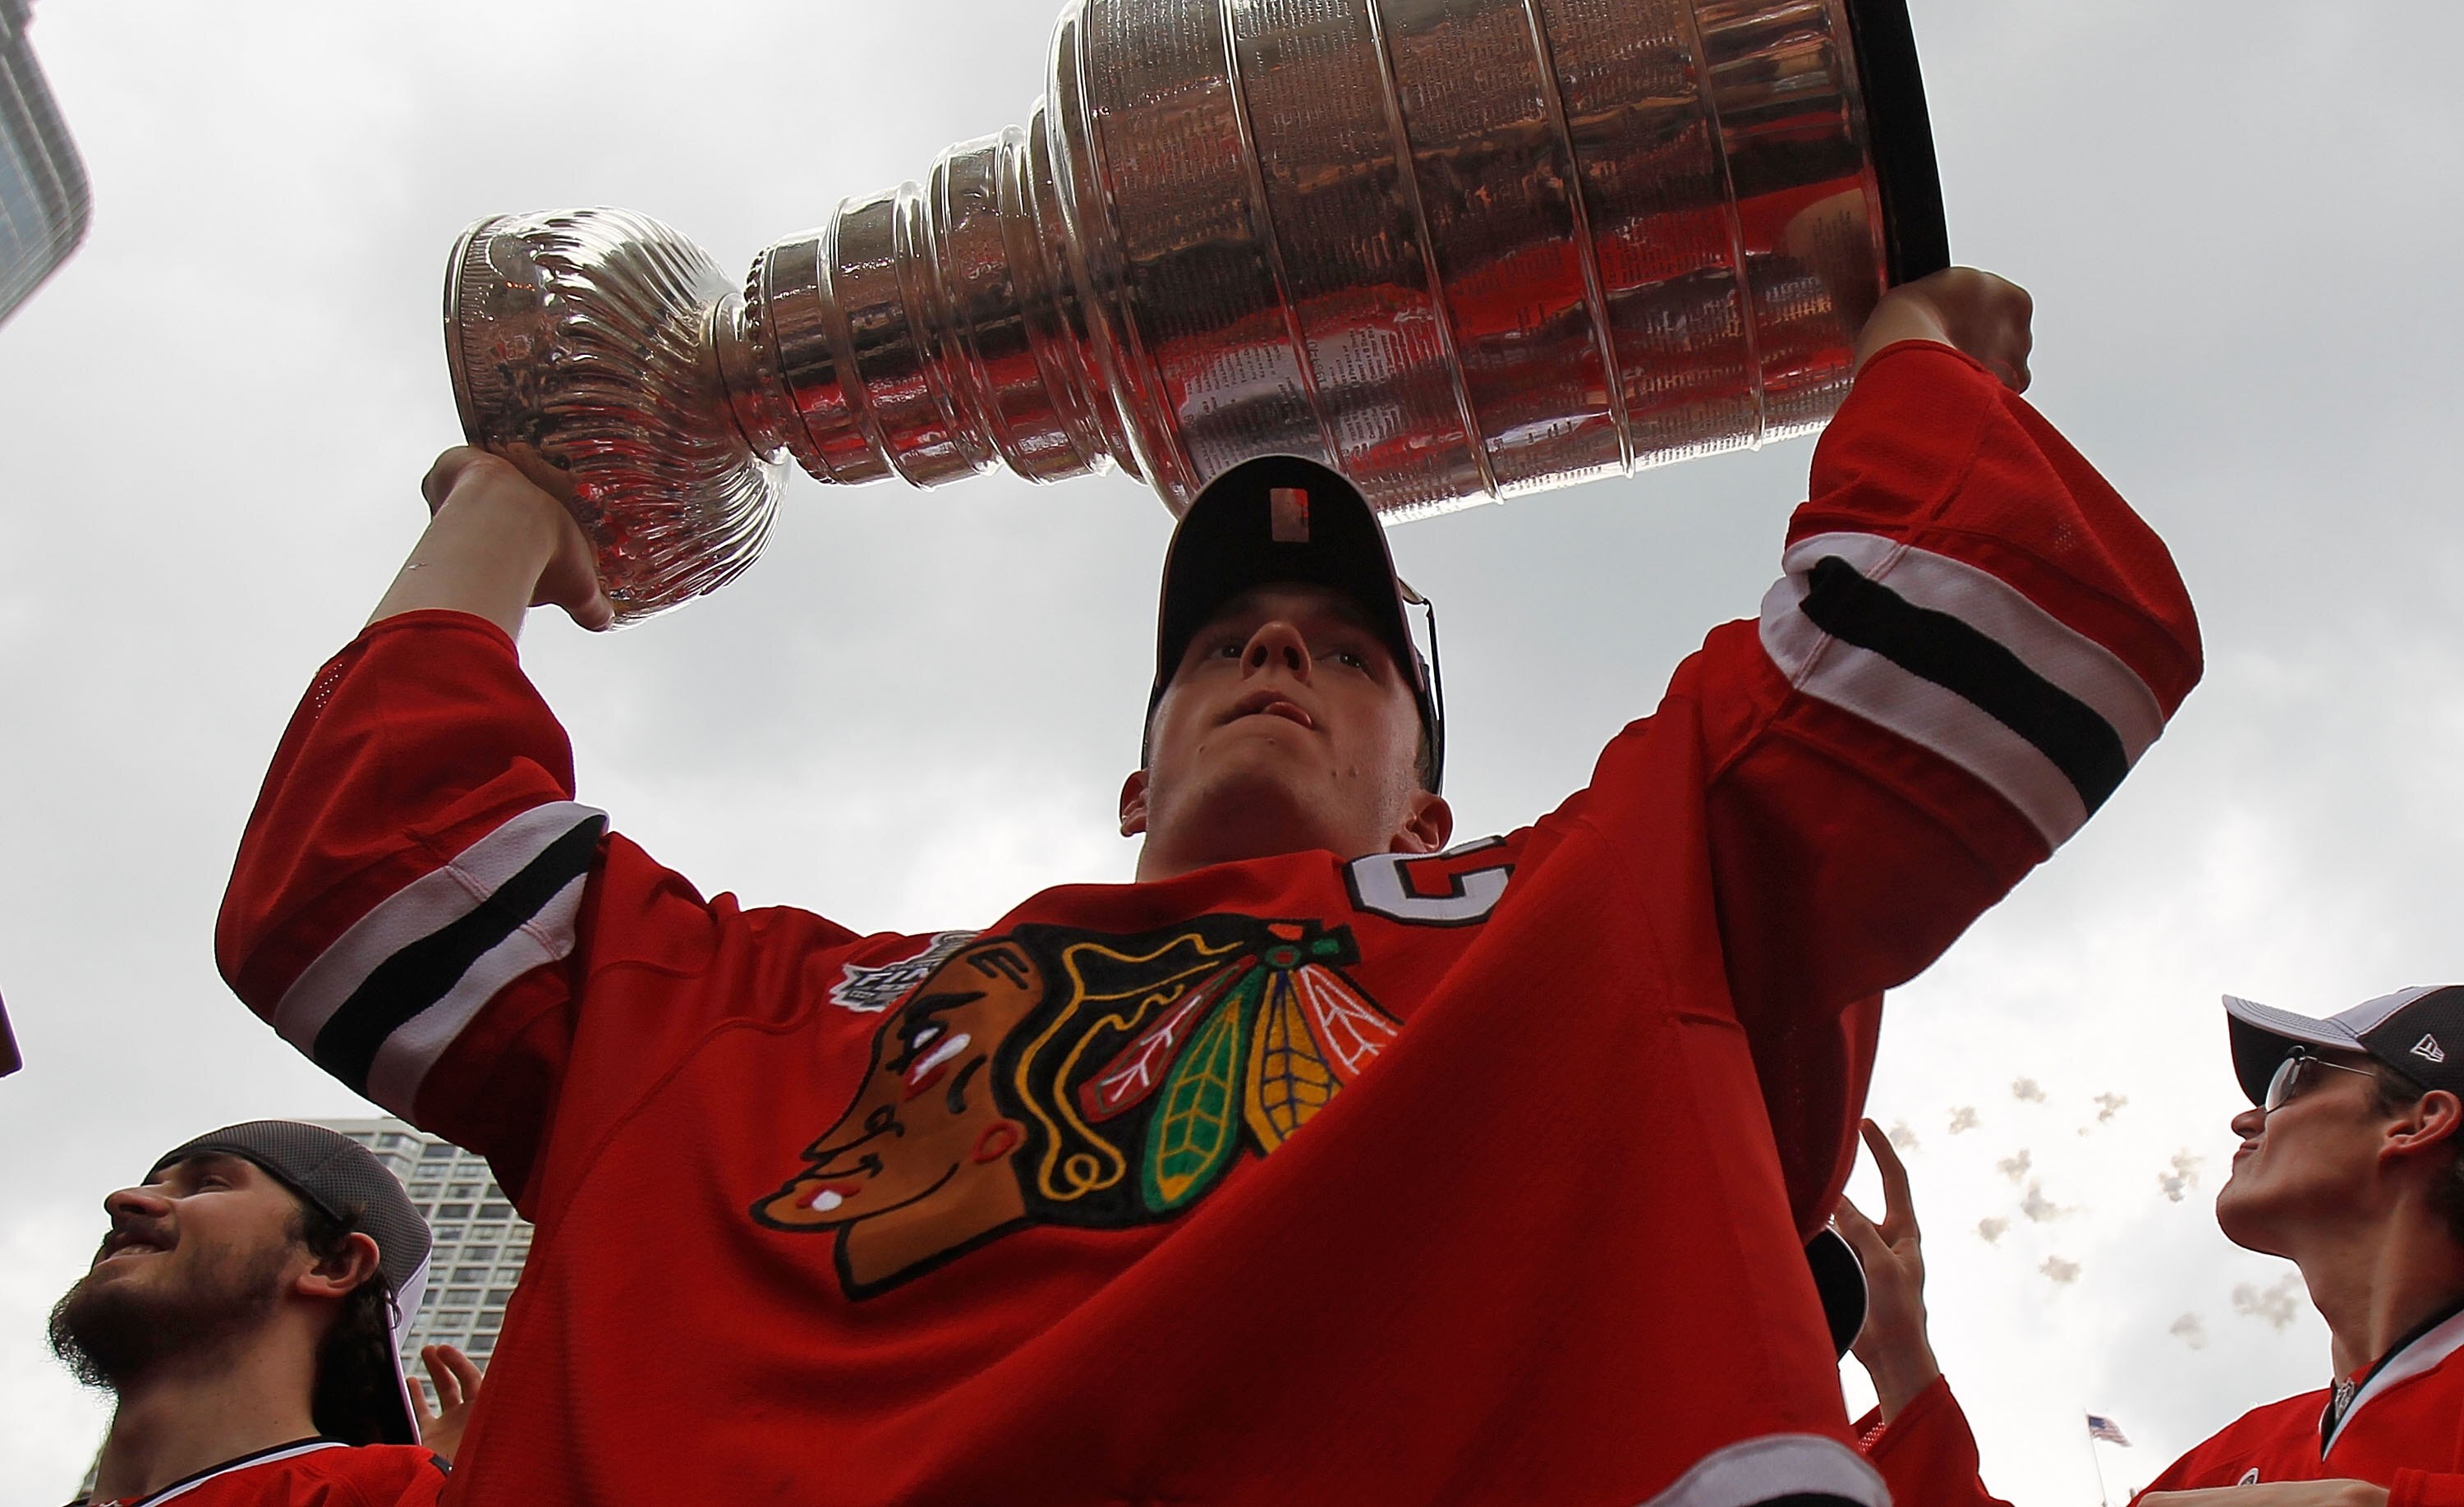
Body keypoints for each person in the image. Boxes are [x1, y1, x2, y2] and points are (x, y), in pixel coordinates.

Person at [215, 268, 2199, 1505]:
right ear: (1131, 769)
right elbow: (364, 877)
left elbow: (1986, 619)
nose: (1275, 656)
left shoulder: (1607, 899)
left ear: (1433, 815)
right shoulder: (766, 1004)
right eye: (1221, 641)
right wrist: (506, 513)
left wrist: (1902, 354)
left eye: (1345, 654)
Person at [1839, 990, 2464, 1505]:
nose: (2247, 1120)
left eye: (2291, 1079)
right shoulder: (2230, 1460)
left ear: (2417, 1121)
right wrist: (1899, 1360)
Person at [48, 1119, 467, 1505]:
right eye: (151, 1185)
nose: (122, 1200)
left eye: (208, 1184)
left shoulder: (390, 1495)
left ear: (332, 1265)